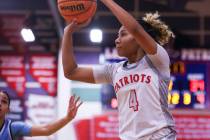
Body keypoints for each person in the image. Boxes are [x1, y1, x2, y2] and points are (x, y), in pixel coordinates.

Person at [61, 0, 176, 139]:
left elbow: (135, 29)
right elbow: (70, 72)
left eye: (123, 34)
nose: (117, 40)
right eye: (117, 35)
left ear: (140, 39)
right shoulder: (114, 70)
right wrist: (67, 33)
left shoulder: (158, 60)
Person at [0, 90, 82, 140]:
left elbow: (46, 129)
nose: (0, 103)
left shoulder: (12, 128)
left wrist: (68, 118)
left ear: (8, 110)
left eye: (4, 101)